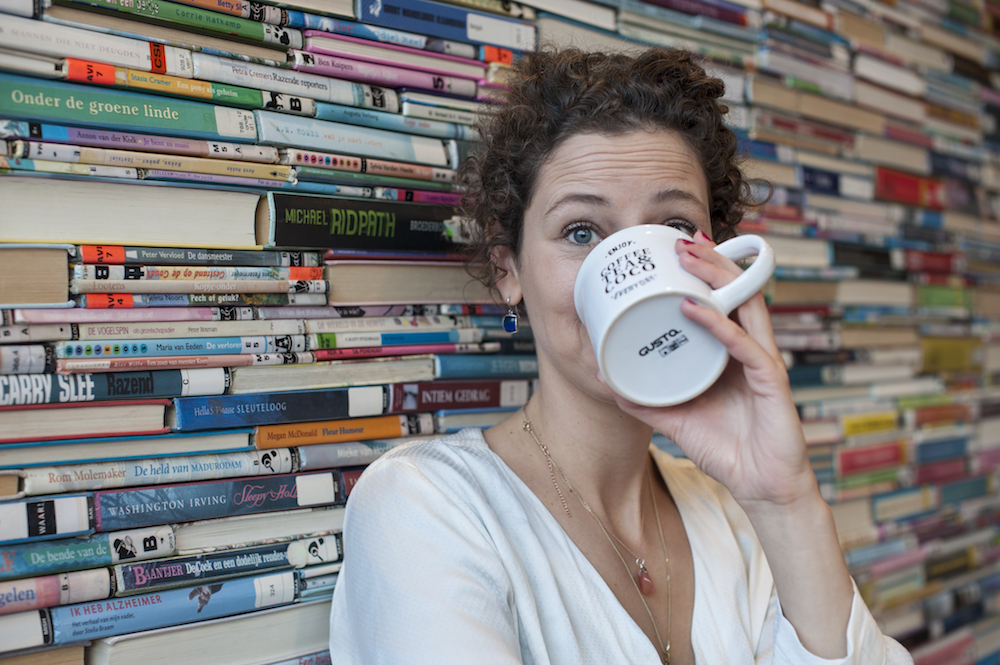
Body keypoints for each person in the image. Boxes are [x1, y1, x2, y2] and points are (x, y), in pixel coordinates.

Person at [328, 47, 914, 664]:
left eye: (671, 228)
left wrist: (784, 497)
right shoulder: (424, 506)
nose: (632, 275)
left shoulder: (738, 514)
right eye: (582, 232)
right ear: (510, 270)